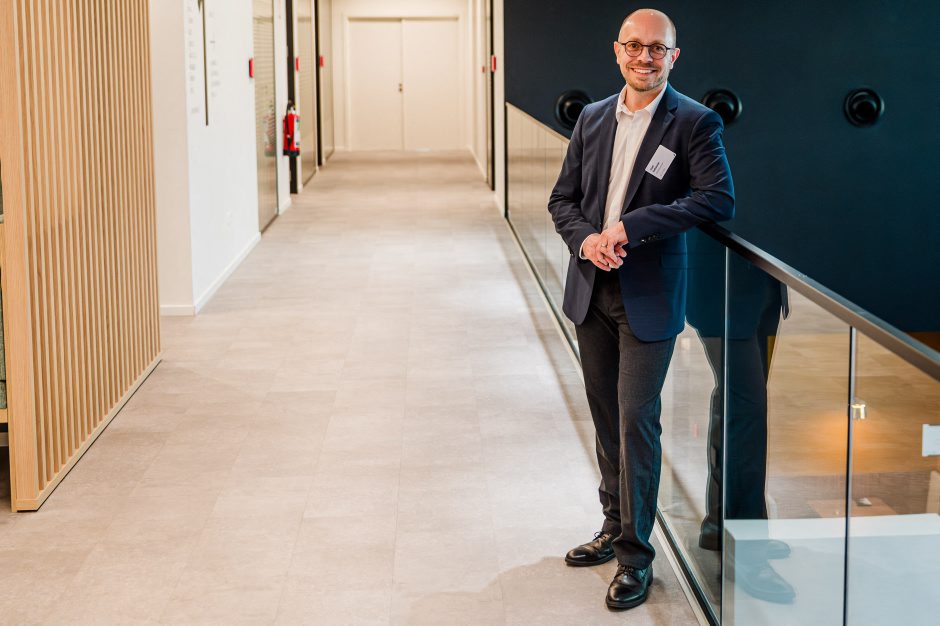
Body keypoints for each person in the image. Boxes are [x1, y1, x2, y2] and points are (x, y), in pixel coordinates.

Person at [547, 8, 735, 610]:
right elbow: (562, 199)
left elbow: (718, 198)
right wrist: (586, 240)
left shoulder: (695, 122)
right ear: (617, 51)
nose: (644, 57)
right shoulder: (593, 117)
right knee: (606, 418)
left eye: (657, 48)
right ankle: (612, 526)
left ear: (673, 57)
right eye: (634, 46)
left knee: (636, 422)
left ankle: (636, 557)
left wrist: (633, 225)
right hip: (591, 290)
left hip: (649, 298)